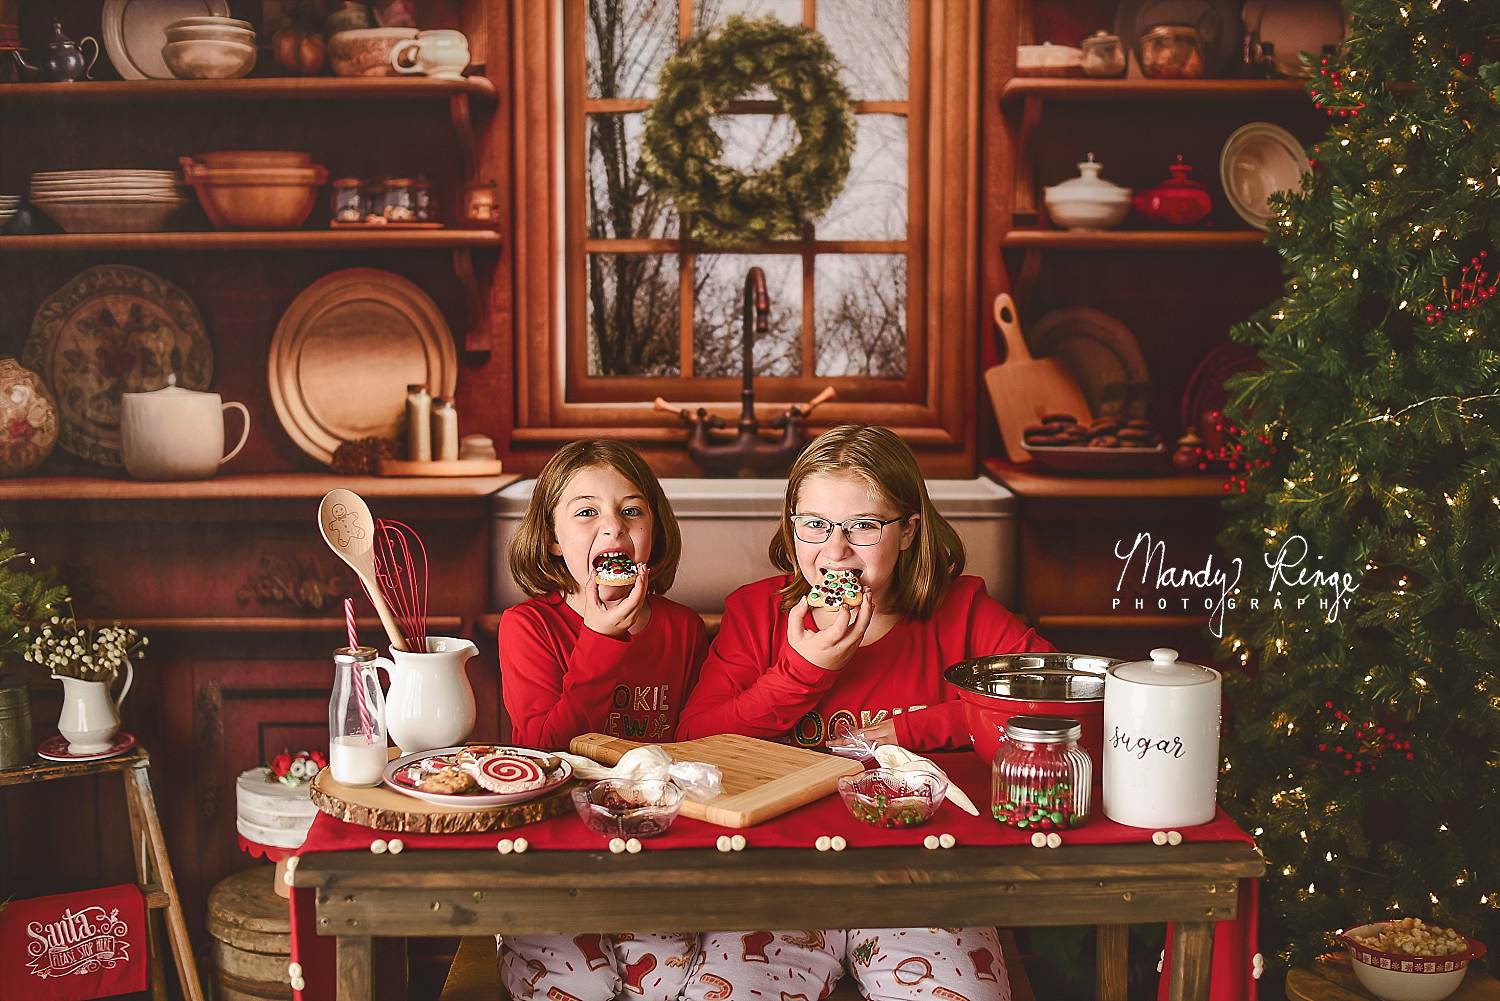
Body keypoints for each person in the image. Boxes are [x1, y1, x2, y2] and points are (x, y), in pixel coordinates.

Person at [678, 424, 1054, 1001]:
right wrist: (802, 671)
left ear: (908, 531)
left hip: (924, 888)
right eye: (816, 525)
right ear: (792, 524)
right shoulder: (755, 614)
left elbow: (1046, 700)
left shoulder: (961, 612)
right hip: (775, 886)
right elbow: (694, 741)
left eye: (864, 526)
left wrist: (907, 729)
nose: (834, 551)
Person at [499, 439, 707, 1001]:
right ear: (552, 538)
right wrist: (598, 639)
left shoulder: (683, 628)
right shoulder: (527, 627)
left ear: (654, 530)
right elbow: (540, 749)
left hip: (656, 866)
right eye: (586, 511)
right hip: (555, 863)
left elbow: (694, 754)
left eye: (632, 510)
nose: (613, 529)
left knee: (663, 983)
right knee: (577, 987)